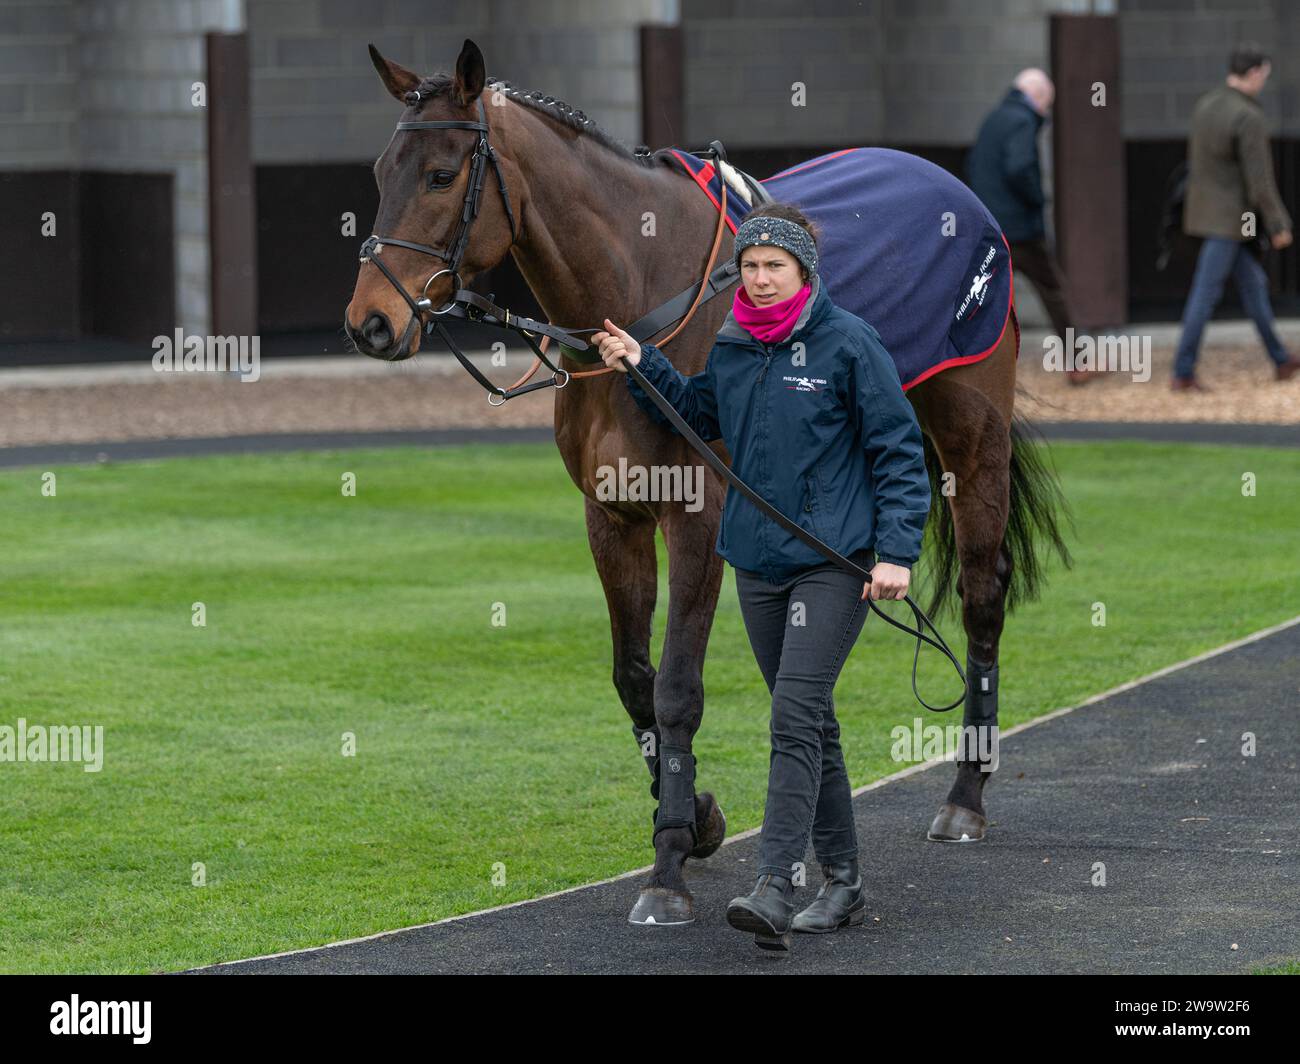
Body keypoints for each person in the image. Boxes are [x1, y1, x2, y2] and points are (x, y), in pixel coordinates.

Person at [591, 204, 930, 950]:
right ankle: (843, 882)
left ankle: (777, 882)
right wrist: (642, 362)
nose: (761, 278)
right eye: (750, 266)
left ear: (805, 272)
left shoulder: (848, 344)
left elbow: (900, 453)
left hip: (834, 566)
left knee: (792, 718)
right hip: (759, 567)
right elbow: (702, 411)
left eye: (775, 266)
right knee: (813, 721)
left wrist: (898, 551)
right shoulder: (737, 345)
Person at [1171, 42, 1298, 391]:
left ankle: (1279, 357)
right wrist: (1277, 224)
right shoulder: (1249, 116)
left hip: (1204, 214)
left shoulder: (1205, 105)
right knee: (1205, 292)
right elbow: (1260, 181)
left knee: (1253, 284)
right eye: (1264, 76)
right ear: (1255, 72)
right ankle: (1182, 371)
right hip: (1229, 221)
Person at [967, 68, 1091, 386]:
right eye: (1046, 105)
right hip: (1020, 228)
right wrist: (1038, 198)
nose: (1045, 112)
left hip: (991, 226)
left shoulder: (994, 118)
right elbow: (1020, 166)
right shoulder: (1022, 120)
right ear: (1037, 97)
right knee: (1054, 292)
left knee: (990, 299)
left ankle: (976, 368)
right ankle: (1078, 363)